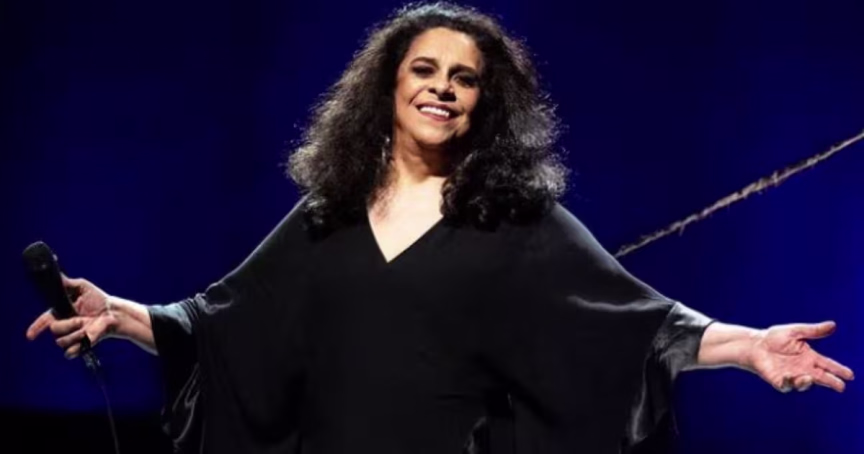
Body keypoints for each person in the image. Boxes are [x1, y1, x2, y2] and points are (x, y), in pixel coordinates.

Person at [26, 2, 853, 454]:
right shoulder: (328, 215)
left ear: (485, 104)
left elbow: (638, 324)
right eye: (424, 69)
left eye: (465, 78)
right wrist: (118, 315)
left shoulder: (519, 220)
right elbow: (220, 325)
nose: (443, 88)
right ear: (388, 87)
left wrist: (748, 346)